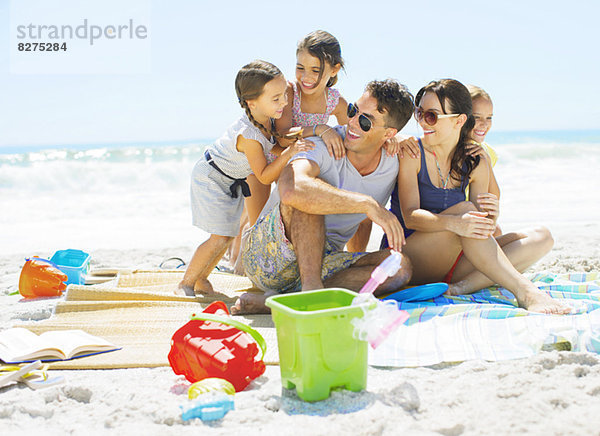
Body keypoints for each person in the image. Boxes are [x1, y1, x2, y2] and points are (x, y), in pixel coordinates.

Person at [232, 79, 415, 314]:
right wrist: (367, 204)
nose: (352, 122)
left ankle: (287, 301)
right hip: (268, 256)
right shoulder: (321, 145)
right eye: (352, 110)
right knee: (307, 195)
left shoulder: (392, 162)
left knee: (399, 266)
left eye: (365, 121)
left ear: (389, 133)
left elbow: (363, 221)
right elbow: (291, 189)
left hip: (324, 261)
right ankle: (310, 295)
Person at [387, 78, 570, 314]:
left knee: (543, 237)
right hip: (411, 257)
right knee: (466, 212)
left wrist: (491, 216)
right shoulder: (412, 152)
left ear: (459, 120)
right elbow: (410, 217)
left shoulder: (476, 159)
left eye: (431, 116)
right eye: (419, 113)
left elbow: (482, 228)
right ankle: (526, 292)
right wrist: (457, 223)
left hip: (455, 262)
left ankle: (463, 287)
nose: (422, 122)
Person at [177, 60, 313, 296]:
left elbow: (271, 151)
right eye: (276, 98)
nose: (285, 102)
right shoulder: (248, 135)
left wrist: (288, 148)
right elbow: (262, 176)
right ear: (252, 103)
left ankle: (201, 279)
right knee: (219, 237)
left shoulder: (265, 120)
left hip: (229, 180)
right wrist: (290, 152)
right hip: (211, 178)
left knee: (227, 236)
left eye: (284, 95)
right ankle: (186, 282)